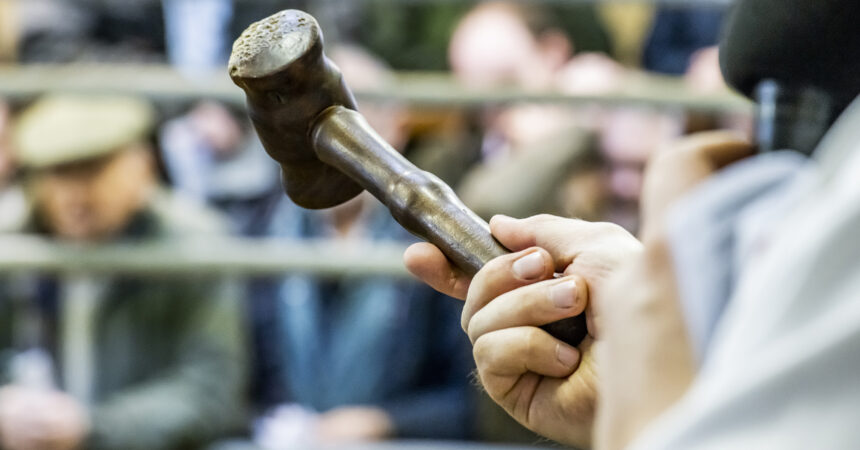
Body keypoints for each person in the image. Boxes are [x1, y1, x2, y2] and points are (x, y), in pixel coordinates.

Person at [246, 46, 474, 447]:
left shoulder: (439, 241)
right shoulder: (260, 232)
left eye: (353, 127)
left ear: (397, 126)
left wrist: (385, 422)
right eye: (308, 131)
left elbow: (468, 399)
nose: (332, 152)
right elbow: (235, 386)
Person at [0, 95, 246, 450]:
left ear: (142, 167)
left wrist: (93, 428)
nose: (74, 195)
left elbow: (212, 390)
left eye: (92, 170)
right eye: (58, 172)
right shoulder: (14, 244)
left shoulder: (194, 246)